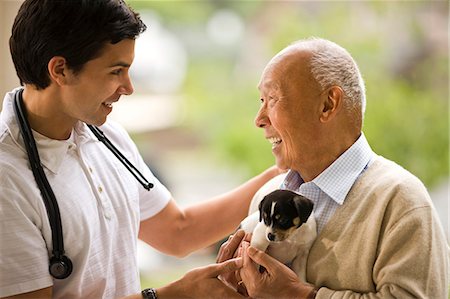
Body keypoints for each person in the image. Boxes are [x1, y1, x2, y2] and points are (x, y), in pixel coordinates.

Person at [0, 1, 280, 298]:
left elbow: (178, 232)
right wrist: (172, 295)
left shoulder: (107, 136)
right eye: (116, 71)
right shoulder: (8, 179)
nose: (128, 87)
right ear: (61, 70)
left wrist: (282, 170)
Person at [218, 38, 449, 298]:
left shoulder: (401, 200)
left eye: (272, 98)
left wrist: (301, 296)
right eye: (260, 99)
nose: (258, 119)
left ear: (328, 104)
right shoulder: (266, 196)